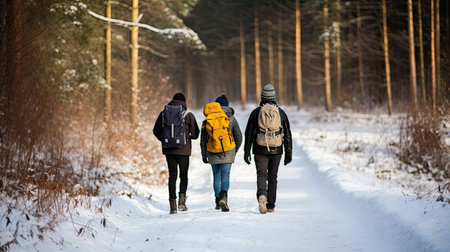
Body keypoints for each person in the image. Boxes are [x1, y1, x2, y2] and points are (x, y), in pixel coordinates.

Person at [243, 84, 292, 214]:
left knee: (261, 175)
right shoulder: (280, 113)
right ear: (274, 97)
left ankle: (261, 195)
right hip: (276, 149)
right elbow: (287, 134)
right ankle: (270, 205)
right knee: (272, 177)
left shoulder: (255, 113)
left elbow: (248, 134)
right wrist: (288, 153)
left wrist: (246, 152)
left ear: (262, 97)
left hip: (259, 148)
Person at [153, 93, 200, 214]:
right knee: (183, 175)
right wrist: (187, 136)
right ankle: (182, 201)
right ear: (184, 102)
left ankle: (172, 206)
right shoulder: (188, 115)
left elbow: (156, 130)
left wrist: (165, 140)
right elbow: (195, 135)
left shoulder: (164, 113)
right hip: (184, 151)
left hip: (169, 150)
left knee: (172, 176)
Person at [200, 94, 242, 212]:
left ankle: (218, 202)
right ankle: (224, 197)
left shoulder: (208, 119)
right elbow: (239, 136)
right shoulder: (231, 118)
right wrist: (234, 149)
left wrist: (204, 154)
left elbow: (203, 139)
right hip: (228, 151)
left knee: (216, 177)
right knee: (225, 175)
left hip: (212, 151)